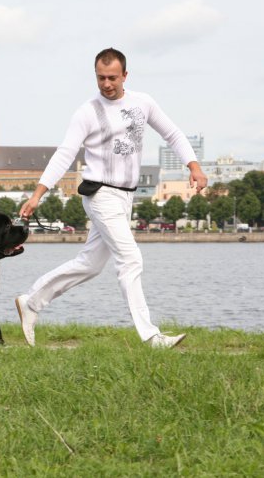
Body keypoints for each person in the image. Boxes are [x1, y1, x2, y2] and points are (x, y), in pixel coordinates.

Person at [15, 47, 208, 348]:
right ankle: (151, 337)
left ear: (125, 76)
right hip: (100, 194)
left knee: (90, 264)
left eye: (112, 78)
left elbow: (173, 134)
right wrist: (38, 194)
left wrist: (193, 167)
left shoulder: (143, 103)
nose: (106, 84)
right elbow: (65, 154)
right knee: (130, 259)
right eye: (101, 78)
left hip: (126, 197)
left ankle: (31, 302)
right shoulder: (86, 113)